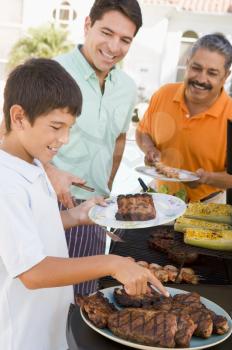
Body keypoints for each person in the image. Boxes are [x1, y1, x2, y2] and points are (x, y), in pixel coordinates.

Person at [0, 58, 168, 350]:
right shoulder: (6, 182)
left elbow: (31, 226)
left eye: (69, 128)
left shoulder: (32, 161)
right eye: (55, 126)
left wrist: (75, 216)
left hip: (48, 328)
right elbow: (33, 272)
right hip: (23, 337)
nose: (63, 139)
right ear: (18, 117)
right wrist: (112, 263)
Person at [44, 0, 143, 295]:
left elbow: (120, 138)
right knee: (41, 306)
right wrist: (50, 170)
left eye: (125, 40)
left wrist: (106, 189)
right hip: (45, 205)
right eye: (107, 32)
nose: (114, 47)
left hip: (94, 212)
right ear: (87, 25)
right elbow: (7, 136)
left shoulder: (127, 87)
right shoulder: (51, 72)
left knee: (85, 305)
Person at [136, 33, 232, 203]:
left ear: (225, 76)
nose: (201, 78)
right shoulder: (163, 94)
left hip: (207, 205)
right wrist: (149, 149)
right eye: (196, 68)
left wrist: (206, 178)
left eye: (212, 73)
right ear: (187, 64)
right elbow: (142, 132)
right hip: (160, 198)